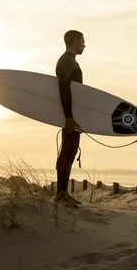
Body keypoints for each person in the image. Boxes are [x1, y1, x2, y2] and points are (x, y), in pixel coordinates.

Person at [54, 30, 86, 207]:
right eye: (82, 41)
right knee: (67, 151)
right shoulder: (66, 61)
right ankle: (61, 193)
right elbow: (64, 89)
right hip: (70, 116)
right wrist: (68, 117)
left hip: (73, 115)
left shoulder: (71, 61)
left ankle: (63, 192)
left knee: (71, 150)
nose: (84, 45)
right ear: (74, 42)